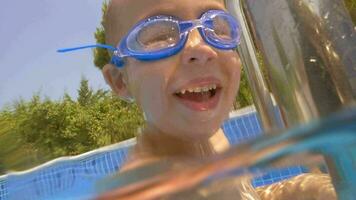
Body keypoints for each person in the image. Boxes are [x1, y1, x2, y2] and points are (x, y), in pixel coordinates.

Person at [59, 0, 336, 199]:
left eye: (216, 26)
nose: (200, 47)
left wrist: (311, 189)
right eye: (158, 35)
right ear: (121, 81)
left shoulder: (215, 141)